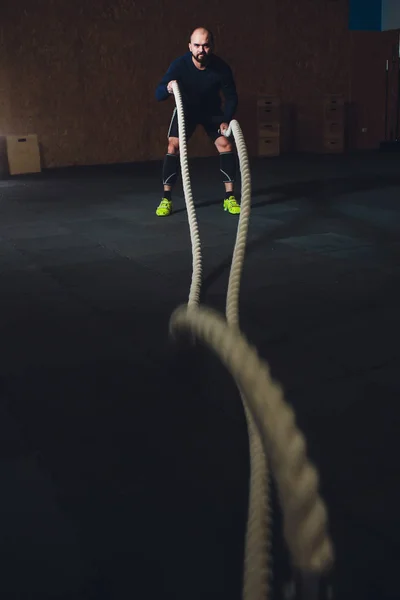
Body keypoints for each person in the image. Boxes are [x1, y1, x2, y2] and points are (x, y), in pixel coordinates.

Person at [154, 27, 240, 217]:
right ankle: (166, 199)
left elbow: (232, 97)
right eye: (197, 45)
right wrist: (168, 88)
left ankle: (229, 197)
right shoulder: (179, 65)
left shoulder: (221, 68)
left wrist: (226, 119)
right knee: (172, 147)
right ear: (190, 47)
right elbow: (158, 94)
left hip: (211, 112)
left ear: (212, 46)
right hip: (187, 111)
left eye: (206, 45)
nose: (201, 50)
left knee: (225, 144)